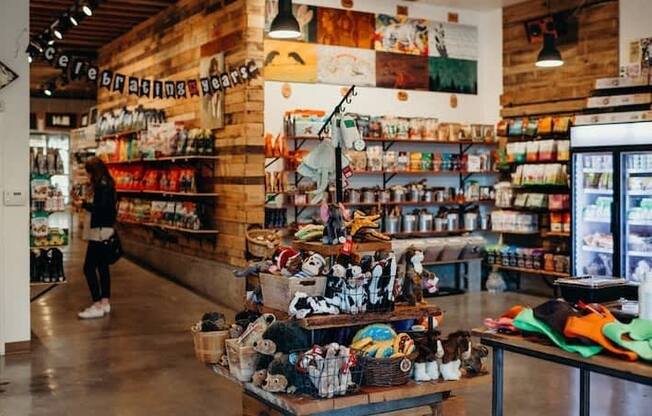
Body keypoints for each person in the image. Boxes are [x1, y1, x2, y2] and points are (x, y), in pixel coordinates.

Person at [74, 157, 117, 319]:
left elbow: (100, 209)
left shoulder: (102, 187)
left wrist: (83, 204)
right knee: (103, 267)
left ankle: (97, 304)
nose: (88, 177)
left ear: (94, 172)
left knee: (88, 267)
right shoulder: (109, 184)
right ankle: (105, 302)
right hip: (106, 230)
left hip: (98, 232)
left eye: (89, 173)